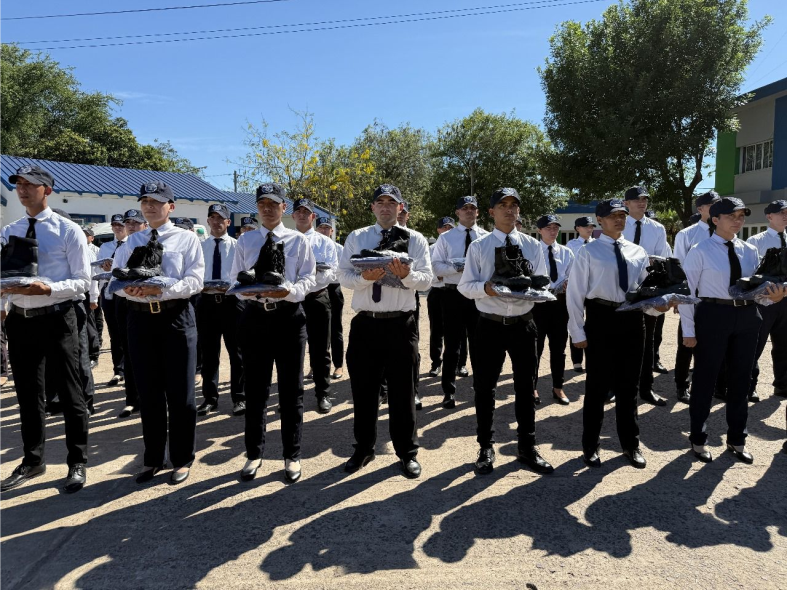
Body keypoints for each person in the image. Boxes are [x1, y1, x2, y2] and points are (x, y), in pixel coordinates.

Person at [0, 165, 90, 493]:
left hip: (57, 316)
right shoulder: (10, 230)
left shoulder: (68, 230)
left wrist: (47, 289)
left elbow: (83, 280)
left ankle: (77, 461)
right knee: (27, 394)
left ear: (47, 190)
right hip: (21, 320)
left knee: (69, 392)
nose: (23, 190)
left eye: (30, 185)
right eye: (19, 185)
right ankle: (33, 461)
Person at [680, 197, 785, 463]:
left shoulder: (749, 250)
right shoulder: (700, 250)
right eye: (732, 216)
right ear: (715, 220)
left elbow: (754, 289)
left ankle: (737, 438)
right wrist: (688, 331)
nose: (739, 220)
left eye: (742, 216)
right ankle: (698, 438)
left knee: (742, 380)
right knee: (706, 379)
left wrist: (770, 297)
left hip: (747, 316)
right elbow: (688, 294)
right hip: (713, 315)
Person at [113, 181, 204, 485]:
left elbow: (194, 281)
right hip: (140, 321)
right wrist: (130, 289)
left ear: (171, 207)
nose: (150, 206)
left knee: (181, 396)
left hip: (175, 318)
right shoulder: (131, 241)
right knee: (149, 394)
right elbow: (117, 277)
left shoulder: (186, 240)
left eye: (157, 201)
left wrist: (161, 290)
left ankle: (182, 458)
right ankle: (153, 458)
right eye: (145, 201)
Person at [458, 187, 554, 476]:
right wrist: (486, 288)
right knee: (485, 389)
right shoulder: (479, 247)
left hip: (524, 325)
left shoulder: (532, 245)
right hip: (488, 324)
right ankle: (485, 447)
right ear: (491, 212)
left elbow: (543, 283)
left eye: (514, 205)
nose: (509, 210)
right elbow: (465, 286)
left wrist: (533, 289)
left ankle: (527, 446)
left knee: (526, 388)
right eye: (502, 205)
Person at [339, 184, 432, 478]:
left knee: (403, 393)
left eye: (392, 202)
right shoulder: (357, 237)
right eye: (380, 202)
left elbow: (427, 280)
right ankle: (364, 448)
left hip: (400, 325)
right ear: (373, 208)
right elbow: (343, 275)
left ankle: (407, 452)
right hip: (366, 323)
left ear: (400, 208)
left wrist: (407, 276)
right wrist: (365, 278)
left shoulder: (414, 239)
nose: (386, 207)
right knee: (364, 392)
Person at [567, 198, 665, 469]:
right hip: (601, 318)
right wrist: (577, 331)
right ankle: (590, 445)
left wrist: (659, 306)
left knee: (628, 387)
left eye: (622, 215)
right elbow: (575, 294)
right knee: (597, 387)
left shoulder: (637, 251)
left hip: (632, 319)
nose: (619, 219)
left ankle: (630, 444)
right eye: (612, 216)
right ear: (600, 220)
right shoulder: (588, 252)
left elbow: (646, 289)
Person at [232, 183, 315, 484]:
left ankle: (292, 455)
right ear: (257, 208)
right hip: (255, 319)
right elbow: (235, 282)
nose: (267, 208)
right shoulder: (246, 241)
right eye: (262, 203)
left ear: (284, 209)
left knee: (292, 392)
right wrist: (251, 292)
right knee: (255, 391)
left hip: (289, 319)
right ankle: (254, 454)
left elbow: (308, 279)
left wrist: (288, 292)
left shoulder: (298, 241)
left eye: (273, 203)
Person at [431, 197, 489, 408]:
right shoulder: (446, 238)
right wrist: (457, 268)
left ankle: (480, 388)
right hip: (453, 295)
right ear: (457, 212)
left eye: (473, 208)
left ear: (478, 213)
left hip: (478, 294)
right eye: (464, 208)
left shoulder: (486, 237)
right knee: (453, 345)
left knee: (479, 344)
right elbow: (436, 267)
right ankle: (449, 391)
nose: (469, 212)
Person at [622, 186, 671, 407]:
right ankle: (616, 386)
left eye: (645, 199)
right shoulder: (618, 223)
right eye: (636, 199)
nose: (642, 203)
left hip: (648, 289)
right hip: (622, 289)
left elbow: (663, 258)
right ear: (626, 203)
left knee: (647, 342)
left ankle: (646, 388)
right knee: (619, 341)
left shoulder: (657, 228)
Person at [196, 203, 246, 417]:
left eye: (221, 219)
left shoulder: (238, 246)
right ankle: (210, 398)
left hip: (232, 303)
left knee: (238, 353)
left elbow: (245, 275)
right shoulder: (199, 246)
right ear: (208, 221)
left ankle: (239, 397)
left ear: (228, 222)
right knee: (209, 354)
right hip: (206, 303)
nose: (216, 222)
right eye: (212, 218)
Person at [671, 190, 720, 403]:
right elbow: (678, 268)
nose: (718, 207)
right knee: (687, 343)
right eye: (713, 204)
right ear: (700, 209)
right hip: (693, 297)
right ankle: (682, 385)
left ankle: (715, 384)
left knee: (716, 343)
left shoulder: (724, 232)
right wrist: (678, 297)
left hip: (718, 298)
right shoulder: (687, 234)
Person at [292, 198, 338, 414]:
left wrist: (311, 273)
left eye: (306, 212)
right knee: (291, 352)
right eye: (298, 211)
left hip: (317, 298)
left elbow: (332, 272)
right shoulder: (284, 240)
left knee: (320, 351)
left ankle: (323, 394)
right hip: (291, 300)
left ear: (313, 217)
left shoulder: (325, 242)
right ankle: (291, 397)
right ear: (292, 215)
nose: (302, 214)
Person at [746, 199, 787, 400]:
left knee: (783, 346)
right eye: (782, 212)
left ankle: (782, 385)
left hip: (786, 302)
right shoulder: (756, 242)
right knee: (755, 345)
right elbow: (750, 274)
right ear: (769, 216)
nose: (786, 216)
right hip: (764, 302)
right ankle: (749, 385)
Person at [532, 214, 573, 405]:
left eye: (556, 227)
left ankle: (558, 387)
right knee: (535, 348)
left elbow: (573, 277)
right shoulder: (532, 251)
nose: (553, 231)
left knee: (559, 349)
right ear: (540, 230)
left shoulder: (566, 253)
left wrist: (568, 284)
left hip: (559, 304)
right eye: (548, 228)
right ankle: (532, 387)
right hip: (538, 305)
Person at [113, 209, 147, 418]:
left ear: (145, 225)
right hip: (124, 301)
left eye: (136, 222)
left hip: (146, 301)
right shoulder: (122, 248)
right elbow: (114, 279)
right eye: (128, 223)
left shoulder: (150, 245)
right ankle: (132, 399)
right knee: (129, 349)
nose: (132, 226)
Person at [426, 216, 459, 380]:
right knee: (436, 329)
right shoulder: (430, 249)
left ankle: (461, 364)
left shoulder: (457, 245)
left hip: (454, 291)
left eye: (450, 227)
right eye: (444, 227)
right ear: (438, 230)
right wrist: (440, 276)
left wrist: (445, 274)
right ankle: (436, 363)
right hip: (437, 292)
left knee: (459, 330)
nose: (447, 230)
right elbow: (428, 271)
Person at [98, 214, 128, 388]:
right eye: (115, 225)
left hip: (127, 291)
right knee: (114, 333)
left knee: (128, 331)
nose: (118, 228)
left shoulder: (132, 244)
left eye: (121, 224)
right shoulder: (105, 246)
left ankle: (131, 368)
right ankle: (119, 370)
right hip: (109, 292)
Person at [565, 216, 597, 373]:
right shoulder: (571, 245)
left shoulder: (597, 245)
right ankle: (577, 360)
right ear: (577, 228)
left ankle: (591, 357)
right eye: (586, 226)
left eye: (591, 226)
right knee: (575, 320)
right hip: (576, 287)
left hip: (593, 289)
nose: (589, 229)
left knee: (591, 323)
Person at [316, 217, 345, 380]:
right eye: (321, 228)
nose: (324, 230)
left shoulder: (339, 249)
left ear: (332, 231)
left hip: (333, 289)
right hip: (318, 290)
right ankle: (316, 365)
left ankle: (338, 365)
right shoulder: (311, 245)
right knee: (317, 330)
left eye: (327, 228)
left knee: (335, 328)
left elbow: (341, 271)